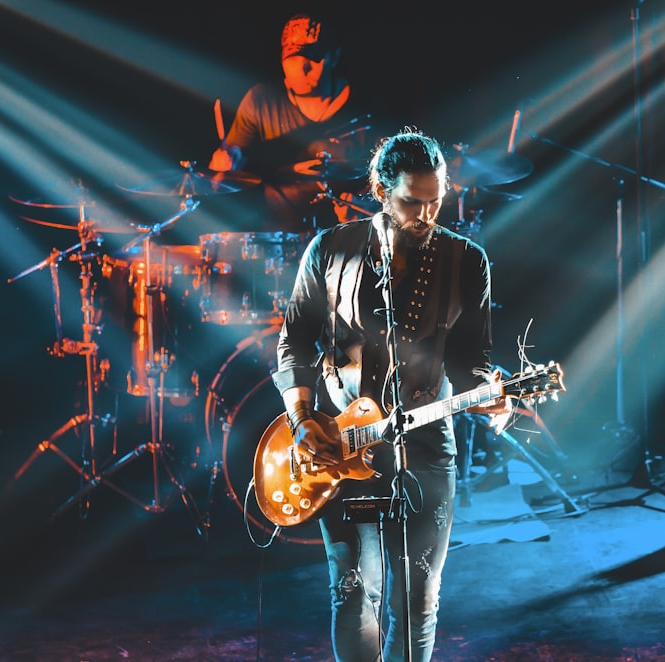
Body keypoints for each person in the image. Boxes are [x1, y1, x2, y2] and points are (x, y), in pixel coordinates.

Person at [271, 128, 512, 661]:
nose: (426, 215)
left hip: (425, 445)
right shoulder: (330, 249)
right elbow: (294, 341)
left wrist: (489, 390)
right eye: (411, 201)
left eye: (436, 201)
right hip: (340, 442)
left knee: (419, 599)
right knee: (354, 593)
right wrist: (303, 416)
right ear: (380, 190)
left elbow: (471, 358)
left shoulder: (466, 260)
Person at [208, 12, 377, 234]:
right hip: (279, 242)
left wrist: (367, 203)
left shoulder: (368, 107)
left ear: (334, 57)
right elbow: (220, 177)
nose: (302, 68)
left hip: (350, 239)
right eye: (293, 59)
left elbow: (398, 181)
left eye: (313, 58)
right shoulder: (261, 101)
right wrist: (221, 166)